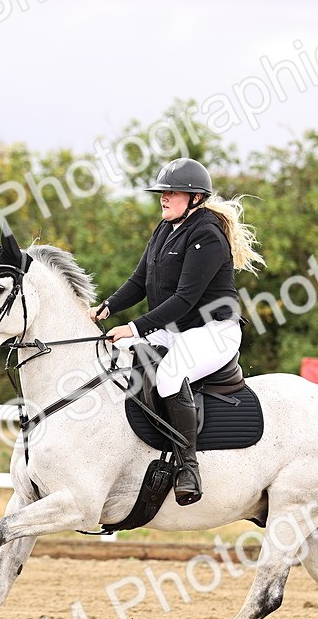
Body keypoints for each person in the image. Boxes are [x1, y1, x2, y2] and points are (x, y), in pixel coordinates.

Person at [89, 157, 264, 505]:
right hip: (176, 329)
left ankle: (188, 467)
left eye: (173, 192)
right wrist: (108, 307)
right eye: (162, 192)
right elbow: (139, 281)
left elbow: (185, 299)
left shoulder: (207, 235)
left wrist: (135, 326)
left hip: (213, 331)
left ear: (195, 198)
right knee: (123, 361)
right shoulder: (165, 228)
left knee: (168, 375)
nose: (164, 198)